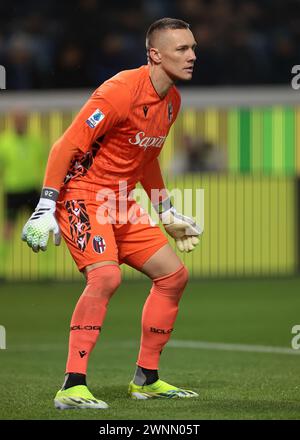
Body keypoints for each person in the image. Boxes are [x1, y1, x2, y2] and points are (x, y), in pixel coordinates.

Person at [21, 17, 201, 410]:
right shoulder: (120, 91)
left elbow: (148, 157)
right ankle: (72, 385)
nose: (192, 56)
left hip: (121, 201)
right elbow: (64, 147)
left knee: (173, 275)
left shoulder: (172, 102)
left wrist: (167, 213)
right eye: (182, 49)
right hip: (81, 195)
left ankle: (147, 379)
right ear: (155, 54)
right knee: (105, 276)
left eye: (192, 48)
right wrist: (46, 205)